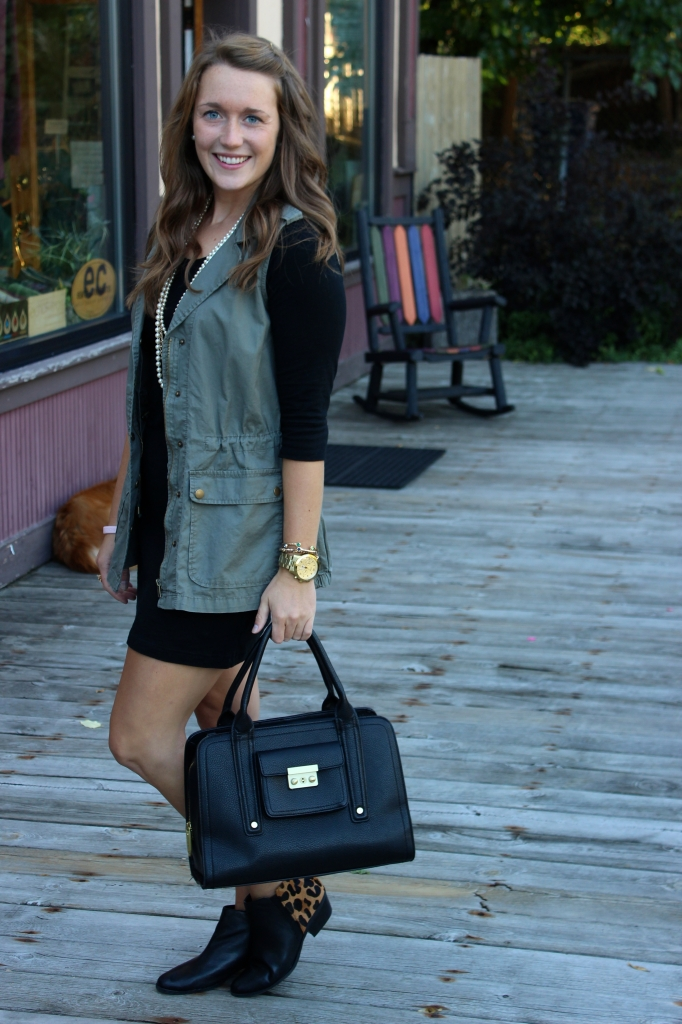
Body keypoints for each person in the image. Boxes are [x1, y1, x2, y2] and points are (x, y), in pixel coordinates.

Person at [96, 32, 345, 998]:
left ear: (281, 131)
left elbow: (309, 427)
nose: (229, 134)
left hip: (240, 546)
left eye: (252, 116)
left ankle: (281, 881)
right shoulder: (180, 230)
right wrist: (130, 525)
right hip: (172, 531)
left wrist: (299, 567)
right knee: (220, 719)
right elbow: (159, 406)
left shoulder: (294, 253)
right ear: (187, 121)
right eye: (214, 112)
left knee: (139, 740)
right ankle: (251, 917)